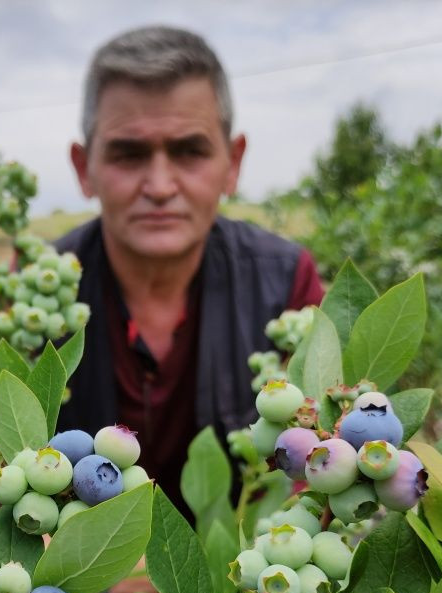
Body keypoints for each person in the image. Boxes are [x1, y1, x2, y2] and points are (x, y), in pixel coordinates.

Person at [54, 25, 324, 515]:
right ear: (83, 167)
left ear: (233, 161)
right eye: (129, 153)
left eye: (189, 151)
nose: (159, 185)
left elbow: (322, 467)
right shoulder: (35, 293)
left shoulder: (286, 281)